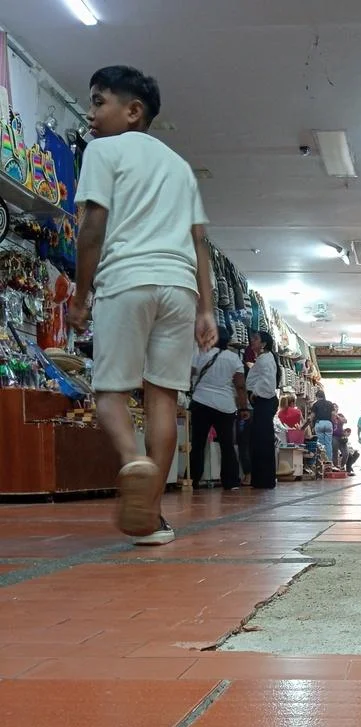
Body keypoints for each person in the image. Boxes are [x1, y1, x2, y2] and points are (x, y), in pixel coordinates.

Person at [69, 65, 217, 547]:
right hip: (179, 289)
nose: (90, 114)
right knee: (163, 398)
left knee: (111, 391)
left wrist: (79, 294)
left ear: (133, 111)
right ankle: (153, 518)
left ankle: (133, 462)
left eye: (98, 102)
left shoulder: (103, 150)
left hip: (126, 279)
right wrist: (207, 310)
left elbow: (92, 226)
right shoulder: (179, 167)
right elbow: (201, 245)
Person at [189, 327, 248, 491]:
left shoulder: (199, 353)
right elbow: (240, 386)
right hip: (225, 406)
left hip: (200, 402)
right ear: (227, 340)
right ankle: (231, 481)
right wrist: (244, 408)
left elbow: (189, 374)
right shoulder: (233, 358)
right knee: (227, 445)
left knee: (198, 444)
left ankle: (193, 479)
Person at [246, 329, 281, 489]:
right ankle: (263, 479)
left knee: (262, 441)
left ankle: (263, 479)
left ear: (264, 343)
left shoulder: (265, 359)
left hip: (263, 402)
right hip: (265, 402)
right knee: (262, 440)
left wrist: (255, 393)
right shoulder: (265, 358)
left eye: (256, 339)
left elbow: (268, 382)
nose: (252, 341)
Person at [311, 389, 335, 463]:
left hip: (319, 423)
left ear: (317, 397)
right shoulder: (330, 403)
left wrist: (312, 425)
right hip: (328, 423)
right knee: (328, 443)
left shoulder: (315, 404)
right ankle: (329, 462)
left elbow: (312, 416)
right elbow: (333, 414)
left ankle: (322, 462)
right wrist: (331, 422)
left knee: (320, 444)